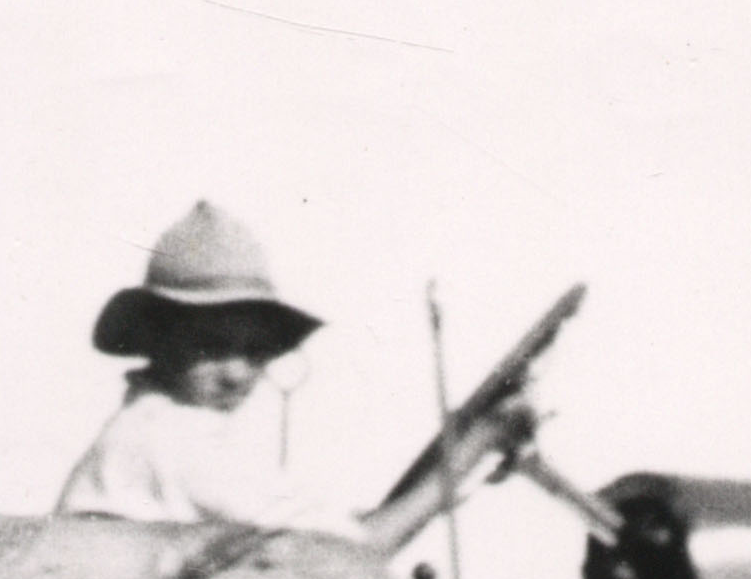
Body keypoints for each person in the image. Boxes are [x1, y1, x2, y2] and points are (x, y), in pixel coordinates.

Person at [57, 201, 514, 550]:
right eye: (211, 348)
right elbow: (358, 552)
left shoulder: (154, 428)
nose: (237, 374)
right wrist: (478, 445)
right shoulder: (173, 441)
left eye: (256, 353)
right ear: (157, 341)